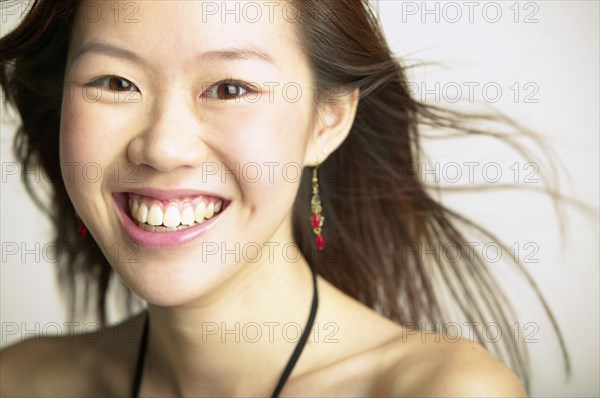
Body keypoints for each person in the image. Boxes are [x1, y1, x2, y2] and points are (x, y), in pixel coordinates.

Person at [0, 0, 568, 396]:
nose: (163, 147)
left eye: (230, 88)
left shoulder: (441, 392)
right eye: (116, 82)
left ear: (327, 120)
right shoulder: (21, 382)